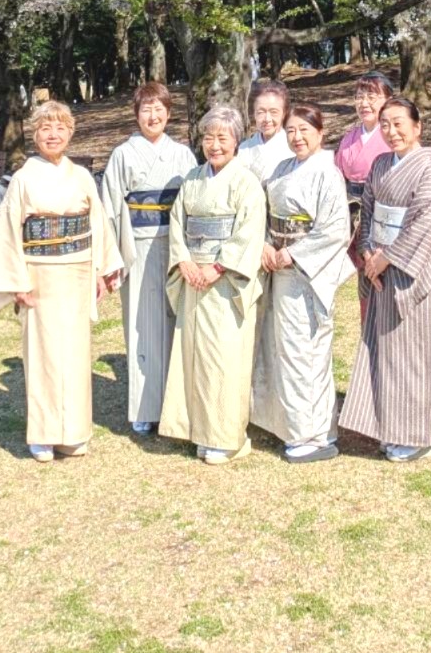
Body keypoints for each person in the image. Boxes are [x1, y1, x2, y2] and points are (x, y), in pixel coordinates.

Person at [0, 101, 122, 462]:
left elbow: (99, 225)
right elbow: (9, 232)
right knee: (42, 354)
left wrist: (102, 272)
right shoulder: (24, 178)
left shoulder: (82, 177)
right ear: (35, 135)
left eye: (60, 128)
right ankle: (42, 433)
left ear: (70, 133)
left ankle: (73, 432)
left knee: (75, 355)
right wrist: (16, 281)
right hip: (38, 276)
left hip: (75, 273)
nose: (53, 134)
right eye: (45, 128)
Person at [339, 96, 431, 463]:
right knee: (385, 350)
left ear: (417, 126)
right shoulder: (379, 165)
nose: (392, 132)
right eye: (385, 124)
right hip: (379, 267)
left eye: (399, 124)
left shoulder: (430, 173)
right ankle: (389, 427)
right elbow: (370, 213)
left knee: (413, 353)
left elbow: (425, 223)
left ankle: (420, 436)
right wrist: (370, 253)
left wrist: (388, 258)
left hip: (410, 271)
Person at [159, 105, 265, 465]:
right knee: (193, 355)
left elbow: (249, 232)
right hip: (194, 279)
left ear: (237, 140)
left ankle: (225, 436)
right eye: (208, 137)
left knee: (224, 358)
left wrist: (219, 266)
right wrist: (185, 261)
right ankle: (198, 430)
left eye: (223, 137)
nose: (215, 145)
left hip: (223, 283)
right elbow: (178, 224)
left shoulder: (246, 182)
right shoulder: (192, 179)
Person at [251, 103, 354, 463]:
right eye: (291, 131)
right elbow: (264, 214)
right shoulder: (281, 169)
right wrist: (266, 242)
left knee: (306, 351)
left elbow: (336, 229)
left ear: (320, 133)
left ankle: (314, 432)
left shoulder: (328, 173)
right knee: (281, 347)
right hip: (279, 267)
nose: (297, 137)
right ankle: (289, 423)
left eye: (304, 131)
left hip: (307, 271)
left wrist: (294, 254)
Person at [100, 81, 196, 434]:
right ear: (136, 115)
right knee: (141, 325)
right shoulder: (123, 154)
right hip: (137, 246)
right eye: (146, 109)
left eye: (159, 109)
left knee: (176, 322)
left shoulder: (184, 154)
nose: (153, 116)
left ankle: (175, 404)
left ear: (169, 113)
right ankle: (144, 407)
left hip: (175, 246)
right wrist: (112, 258)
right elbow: (110, 208)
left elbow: (192, 202)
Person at [333, 71, 395, 322]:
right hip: (353, 219)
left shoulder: (393, 136)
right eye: (359, 96)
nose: (364, 103)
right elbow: (337, 178)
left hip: (383, 218)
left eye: (372, 96)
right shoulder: (350, 138)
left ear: (388, 99)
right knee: (365, 285)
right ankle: (369, 343)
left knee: (384, 279)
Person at [238, 80, 293, 181]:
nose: (267, 119)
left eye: (274, 112)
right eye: (261, 112)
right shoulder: (244, 149)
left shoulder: (292, 148)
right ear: (254, 114)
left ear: (284, 114)